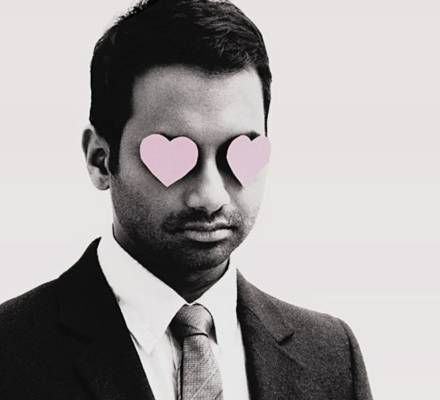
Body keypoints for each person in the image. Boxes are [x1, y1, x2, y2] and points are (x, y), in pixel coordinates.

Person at [0, 0, 373, 399]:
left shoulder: (331, 356)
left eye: (239, 152)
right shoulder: (11, 351)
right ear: (100, 160)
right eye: (177, 155)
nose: (210, 196)